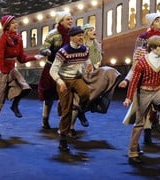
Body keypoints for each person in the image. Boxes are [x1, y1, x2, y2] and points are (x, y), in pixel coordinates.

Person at [0, 15, 47, 138]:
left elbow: (22, 58)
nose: (16, 25)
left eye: (16, 22)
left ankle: (14, 105)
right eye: (13, 23)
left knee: (25, 88)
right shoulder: (2, 40)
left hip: (11, 69)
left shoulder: (18, 39)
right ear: (7, 26)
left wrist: (35, 57)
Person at [122, 35, 160, 165]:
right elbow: (134, 81)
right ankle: (133, 152)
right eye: (159, 46)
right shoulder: (143, 62)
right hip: (143, 93)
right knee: (139, 123)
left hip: (157, 90)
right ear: (152, 48)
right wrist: (128, 98)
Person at [49, 25, 92, 153]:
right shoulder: (63, 51)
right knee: (66, 110)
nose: (81, 38)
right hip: (64, 80)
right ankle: (63, 139)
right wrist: (59, 81)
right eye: (78, 36)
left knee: (86, 93)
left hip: (77, 78)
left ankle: (80, 111)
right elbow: (53, 70)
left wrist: (89, 66)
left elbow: (86, 61)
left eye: (82, 35)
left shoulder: (84, 49)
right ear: (71, 38)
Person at [80, 23, 122, 124]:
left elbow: (98, 59)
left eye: (93, 29)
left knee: (106, 78)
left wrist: (96, 65)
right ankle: (81, 112)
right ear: (85, 33)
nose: (93, 32)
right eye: (90, 30)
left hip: (95, 70)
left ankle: (94, 106)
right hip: (85, 72)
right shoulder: (82, 46)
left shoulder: (97, 45)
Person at [38, 11, 73, 129]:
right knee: (49, 95)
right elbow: (43, 48)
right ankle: (45, 119)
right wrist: (46, 51)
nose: (71, 21)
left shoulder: (72, 34)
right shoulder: (53, 34)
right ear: (61, 21)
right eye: (68, 19)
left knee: (65, 95)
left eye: (71, 19)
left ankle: (64, 122)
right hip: (51, 67)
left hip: (66, 69)